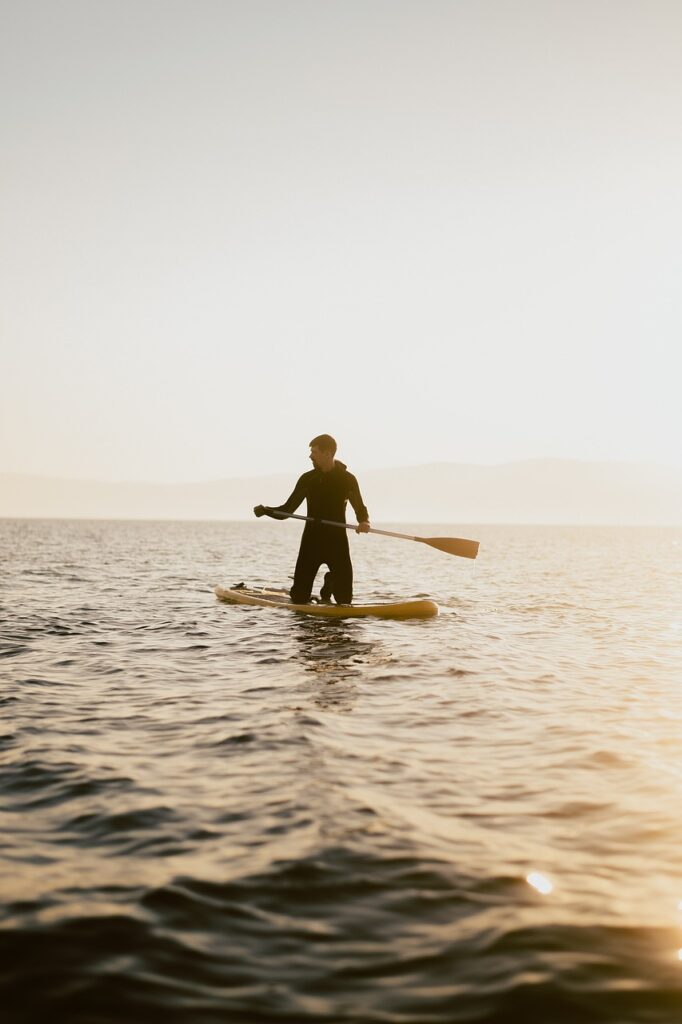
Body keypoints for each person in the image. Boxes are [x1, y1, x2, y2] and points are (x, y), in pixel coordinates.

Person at [254, 434, 370, 605]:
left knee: (345, 600)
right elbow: (288, 510)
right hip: (311, 541)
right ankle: (321, 588)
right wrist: (267, 510)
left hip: (336, 541)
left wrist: (364, 521)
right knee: (299, 598)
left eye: (314, 452)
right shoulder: (308, 479)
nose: (310, 456)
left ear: (328, 453)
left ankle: (329, 583)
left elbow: (359, 506)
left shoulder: (347, 479)